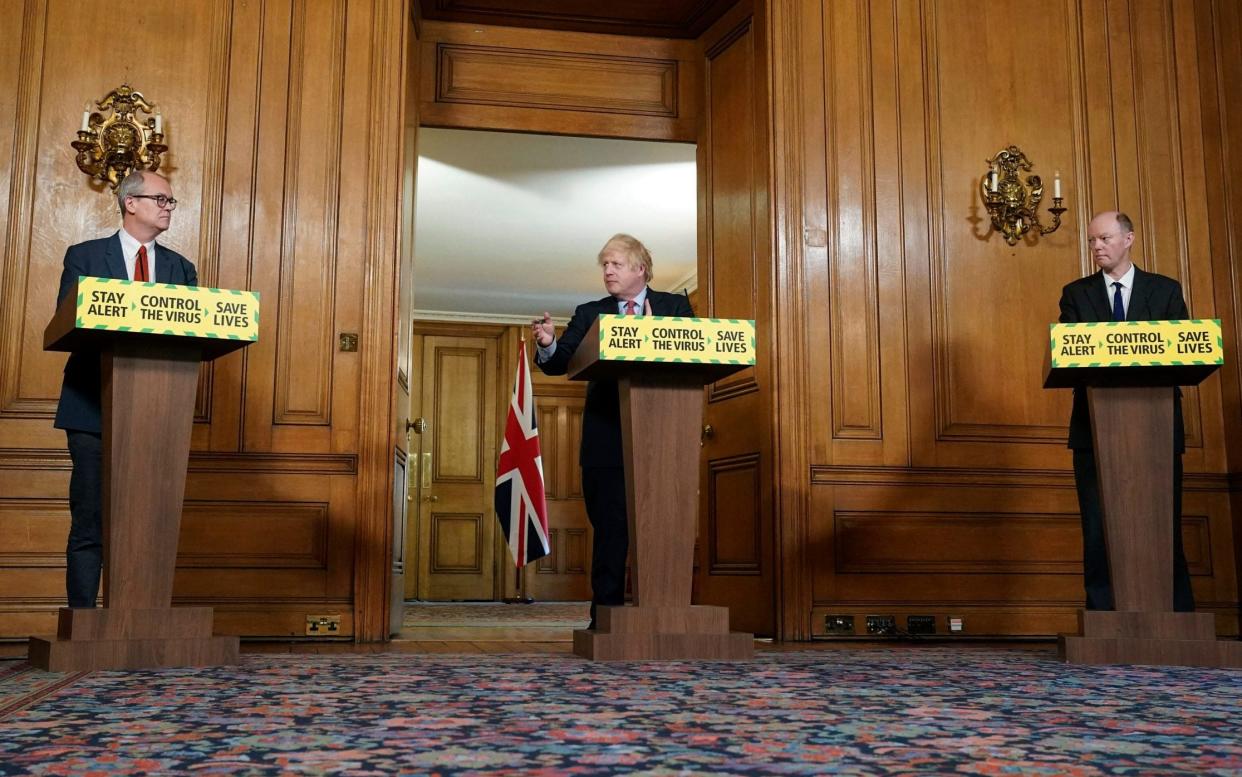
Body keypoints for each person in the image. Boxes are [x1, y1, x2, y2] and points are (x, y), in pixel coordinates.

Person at [531, 234, 694, 628]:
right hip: (606, 442)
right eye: (604, 264)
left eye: (616, 264)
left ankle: (666, 616)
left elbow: (694, 357)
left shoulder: (675, 307)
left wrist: (657, 337)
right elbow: (559, 364)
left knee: (664, 529)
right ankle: (605, 618)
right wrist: (550, 343)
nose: (607, 271)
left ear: (641, 268)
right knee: (610, 531)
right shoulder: (591, 313)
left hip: (664, 440)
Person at [55, 170, 198, 608]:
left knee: (148, 523)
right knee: (91, 519)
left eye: (171, 201)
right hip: (92, 409)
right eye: (161, 199)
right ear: (130, 202)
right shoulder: (84, 257)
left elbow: (193, 335)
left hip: (158, 412)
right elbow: (66, 324)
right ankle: (82, 623)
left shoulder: (181, 269)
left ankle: (142, 619)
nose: (168, 207)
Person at [1058, 210, 1193, 612]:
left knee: (1163, 524)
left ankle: (1175, 612)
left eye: (1104, 239)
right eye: (1092, 241)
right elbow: (1068, 354)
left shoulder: (1165, 290)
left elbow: (1184, 350)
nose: (1097, 247)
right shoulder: (1076, 294)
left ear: (1129, 238)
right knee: (1098, 527)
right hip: (1095, 430)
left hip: (1156, 428)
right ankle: (1103, 614)